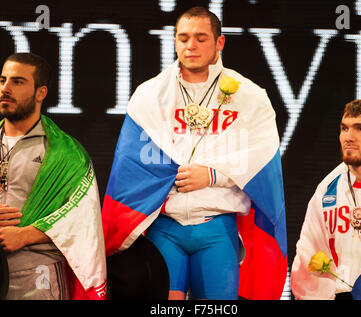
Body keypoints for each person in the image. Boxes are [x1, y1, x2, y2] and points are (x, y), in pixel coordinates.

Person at [102, 6, 287, 300]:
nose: (191, 46)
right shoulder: (149, 94)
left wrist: (213, 176)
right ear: (174, 41)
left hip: (216, 228)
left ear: (220, 42)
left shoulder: (250, 95)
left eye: (201, 38)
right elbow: (132, 163)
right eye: (184, 37)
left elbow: (261, 157)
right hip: (165, 226)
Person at [0, 52, 106, 300]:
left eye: (18, 82)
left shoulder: (66, 154)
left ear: (41, 93)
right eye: (3, 80)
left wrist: (26, 234)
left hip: (36, 273)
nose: (6, 88)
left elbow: (82, 217)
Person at [291, 99, 361, 300]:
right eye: (344, 128)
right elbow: (309, 252)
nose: (349, 137)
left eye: (360, 128)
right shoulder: (327, 188)